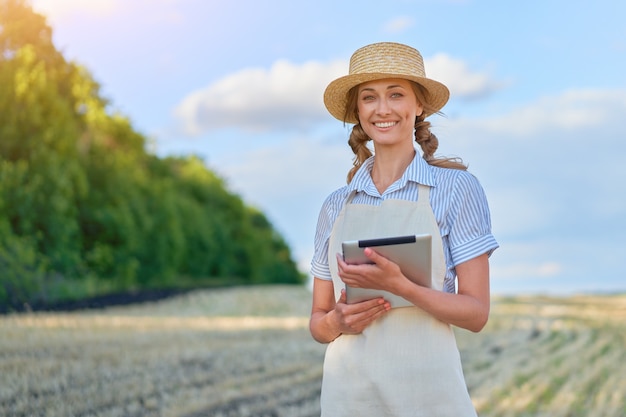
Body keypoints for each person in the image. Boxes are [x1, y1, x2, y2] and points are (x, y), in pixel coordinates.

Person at [309, 42, 499, 416]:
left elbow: (476, 313)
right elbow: (318, 319)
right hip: (350, 398)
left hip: (429, 397)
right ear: (357, 112)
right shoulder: (335, 205)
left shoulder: (457, 189)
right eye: (369, 97)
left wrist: (402, 287)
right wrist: (336, 321)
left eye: (396, 94)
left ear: (419, 105)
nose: (382, 109)